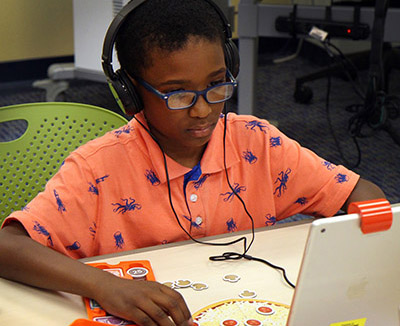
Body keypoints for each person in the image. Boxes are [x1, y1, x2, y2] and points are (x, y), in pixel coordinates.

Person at [0, 0, 385, 325]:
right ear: (131, 91)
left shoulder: (257, 143)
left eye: (218, 85)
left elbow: (360, 193)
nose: (203, 110)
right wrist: (104, 285)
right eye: (177, 94)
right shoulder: (99, 169)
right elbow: (6, 247)